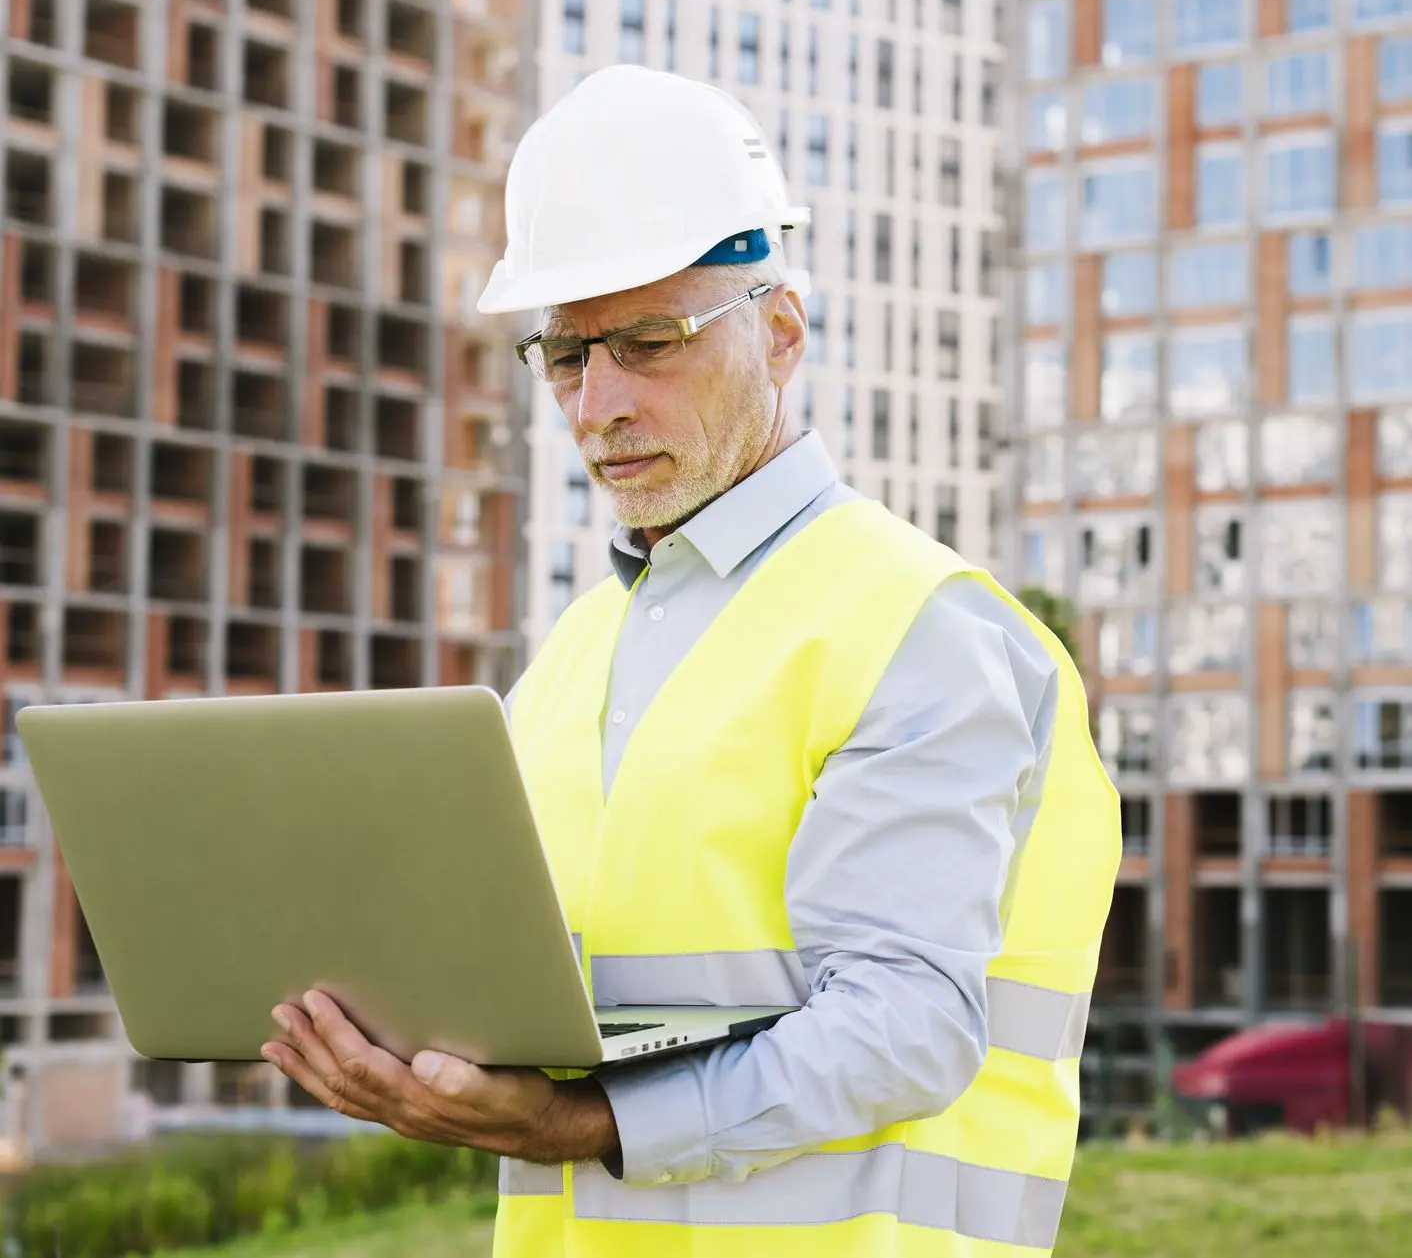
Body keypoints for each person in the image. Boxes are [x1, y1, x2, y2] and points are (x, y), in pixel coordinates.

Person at [263, 65, 1122, 1258]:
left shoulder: (919, 625)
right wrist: (398, 1043)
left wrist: (579, 1122)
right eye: (564, 356)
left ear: (779, 332)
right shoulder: (570, 658)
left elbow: (905, 1028)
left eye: (648, 343)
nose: (595, 404)